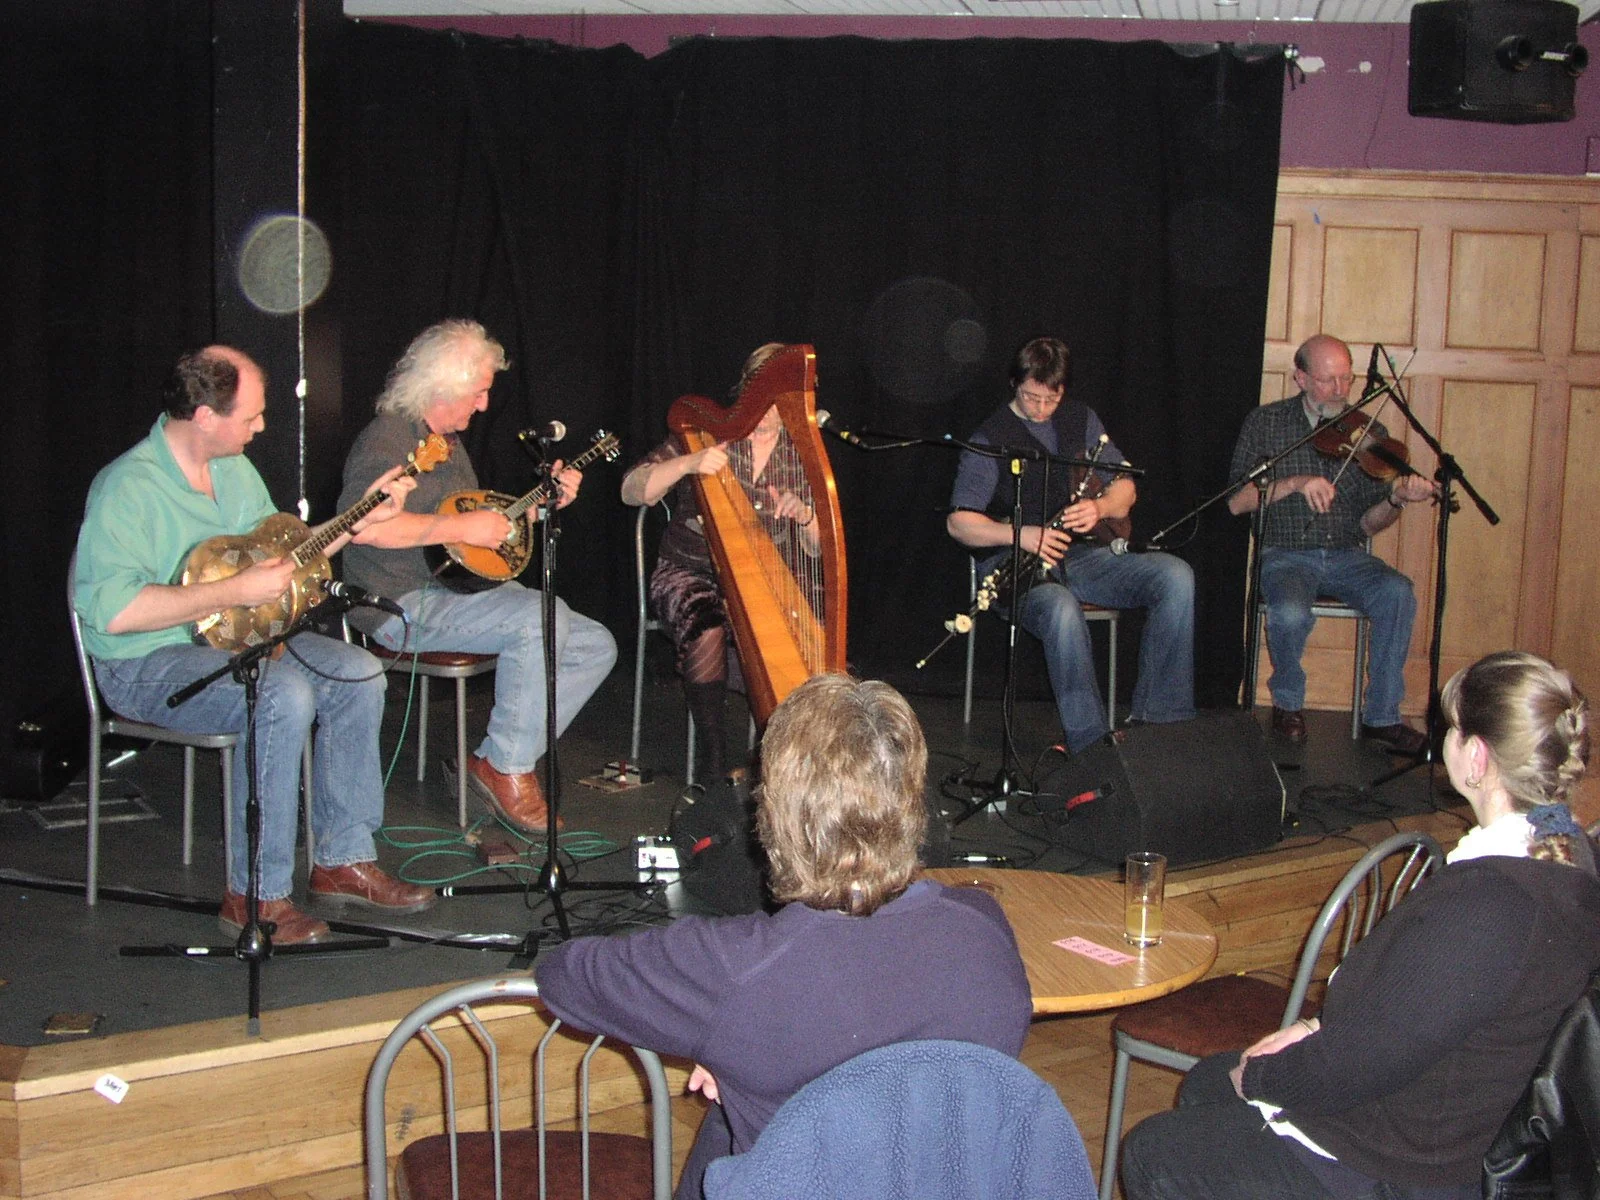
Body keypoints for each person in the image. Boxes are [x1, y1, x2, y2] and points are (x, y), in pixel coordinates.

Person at [1119, 649, 1600, 1200]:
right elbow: (1421, 1017)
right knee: (1209, 1084)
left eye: (1451, 728)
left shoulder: (1490, 907)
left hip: (1405, 1163)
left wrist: (1257, 1078)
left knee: (1157, 1150)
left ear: (1477, 758)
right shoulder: (1569, 859)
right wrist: (1316, 1030)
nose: (1441, 739)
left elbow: (1358, 1067)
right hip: (1450, 1119)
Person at [536, 673, 1033, 1200]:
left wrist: (725, 1034)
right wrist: (734, 1046)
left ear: (770, 815)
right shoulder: (983, 928)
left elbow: (562, 976)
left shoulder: (732, 970)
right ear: (913, 805)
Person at [73, 346, 437, 945]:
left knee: (359, 674)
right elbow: (114, 612)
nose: (262, 428)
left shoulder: (234, 471)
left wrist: (357, 521)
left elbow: (286, 559)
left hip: (235, 644)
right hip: (145, 662)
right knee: (280, 695)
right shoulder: (125, 488)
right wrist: (238, 589)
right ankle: (255, 895)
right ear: (205, 417)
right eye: (251, 417)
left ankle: (341, 858)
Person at [338, 320, 617, 836]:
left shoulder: (446, 440)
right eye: (479, 391)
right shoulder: (388, 438)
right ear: (442, 385)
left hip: (455, 590)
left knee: (596, 644)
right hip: (399, 602)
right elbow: (362, 530)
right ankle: (509, 769)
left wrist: (533, 511)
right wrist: (461, 524)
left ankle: (494, 760)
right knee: (541, 618)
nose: (485, 404)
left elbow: (465, 534)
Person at [946, 336, 1195, 753]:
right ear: (1014, 383)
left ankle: (1159, 720)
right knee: (1060, 609)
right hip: (1012, 564)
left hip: (1080, 557)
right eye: (1031, 397)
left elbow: (1126, 487)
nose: (1041, 409)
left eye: (1051, 399)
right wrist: (1022, 534)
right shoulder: (990, 437)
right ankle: (1090, 742)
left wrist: (1099, 508)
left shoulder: (1081, 419)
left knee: (1175, 576)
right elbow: (959, 523)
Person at [1227, 333, 1437, 751]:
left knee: (1397, 592)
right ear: (1300, 378)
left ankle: (1381, 716)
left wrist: (1396, 499)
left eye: (1347, 379)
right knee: (1288, 610)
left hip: (1346, 554)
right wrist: (1295, 482)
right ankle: (1287, 704)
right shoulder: (1266, 423)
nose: (1341, 392)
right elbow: (1237, 502)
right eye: (1328, 381)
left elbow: (1370, 523)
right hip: (1286, 554)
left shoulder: (1367, 432)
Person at [620, 342, 820, 781]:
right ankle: (713, 761)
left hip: (765, 584)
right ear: (749, 391)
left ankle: (786, 761)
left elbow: (819, 546)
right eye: (765, 397)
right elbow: (633, 489)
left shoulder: (801, 450)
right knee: (707, 625)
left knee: (809, 653)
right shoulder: (703, 432)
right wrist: (689, 463)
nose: (772, 411)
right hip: (687, 572)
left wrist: (805, 515)